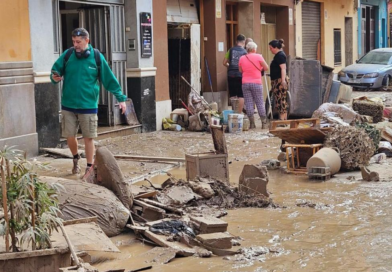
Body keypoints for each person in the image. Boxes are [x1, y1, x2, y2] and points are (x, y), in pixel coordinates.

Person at [50, 28, 127, 175]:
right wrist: (54, 76)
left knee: (88, 137)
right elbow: (55, 70)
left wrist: (121, 98)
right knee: (70, 136)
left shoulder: (97, 57)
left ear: (87, 41)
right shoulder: (67, 55)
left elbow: (109, 79)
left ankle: (89, 167)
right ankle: (75, 157)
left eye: (78, 42)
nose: (75, 45)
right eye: (73, 42)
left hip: (88, 105)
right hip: (68, 104)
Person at [238, 42, 269, 129]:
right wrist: (260, 68)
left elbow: (240, 70)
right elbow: (266, 67)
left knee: (248, 103)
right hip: (257, 83)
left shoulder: (242, 58)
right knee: (259, 102)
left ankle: (252, 123)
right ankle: (263, 123)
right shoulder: (259, 56)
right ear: (254, 49)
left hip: (245, 83)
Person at [223, 34, 247, 114]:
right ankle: (239, 113)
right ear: (244, 42)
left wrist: (229, 66)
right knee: (241, 94)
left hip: (231, 74)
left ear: (236, 42)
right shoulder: (245, 52)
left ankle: (234, 111)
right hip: (241, 75)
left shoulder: (231, 50)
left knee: (233, 94)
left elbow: (224, 62)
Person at [269, 39, 289, 121]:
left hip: (279, 80)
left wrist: (283, 80)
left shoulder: (280, 55)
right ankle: (283, 118)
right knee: (279, 99)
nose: (270, 50)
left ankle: (282, 118)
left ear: (276, 47)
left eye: (271, 48)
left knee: (281, 100)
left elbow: (283, 68)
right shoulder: (278, 55)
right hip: (277, 80)